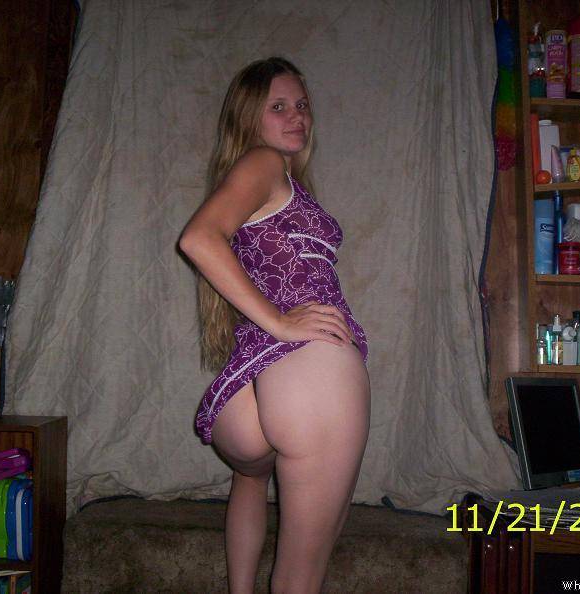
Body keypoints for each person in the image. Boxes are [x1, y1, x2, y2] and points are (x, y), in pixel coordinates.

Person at [179, 57, 370, 594]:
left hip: (248, 394)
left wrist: (273, 326)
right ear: (248, 118)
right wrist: (281, 323)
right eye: (278, 106)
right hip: (308, 371)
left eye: (302, 105)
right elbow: (198, 239)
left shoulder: (276, 181)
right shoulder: (263, 162)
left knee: (250, 477)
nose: (297, 116)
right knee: (301, 579)